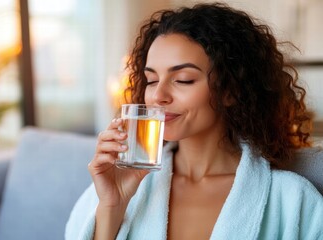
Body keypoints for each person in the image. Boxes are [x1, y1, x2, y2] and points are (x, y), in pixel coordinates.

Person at [66, 2, 323, 239]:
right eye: (152, 80)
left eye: (183, 79)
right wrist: (113, 205)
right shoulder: (112, 194)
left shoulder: (292, 201)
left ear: (231, 90)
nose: (158, 95)